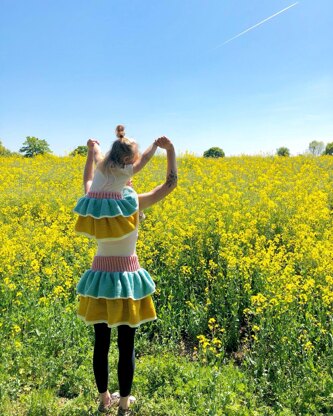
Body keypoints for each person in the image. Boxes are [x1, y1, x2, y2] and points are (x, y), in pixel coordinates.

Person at [73, 135, 177, 415]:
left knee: (101, 343)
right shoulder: (134, 204)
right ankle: (123, 404)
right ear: (126, 177)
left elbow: (88, 179)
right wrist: (170, 152)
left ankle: (104, 398)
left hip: (99, 278)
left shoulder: (94, 203)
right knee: (126, 344)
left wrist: (89, 154)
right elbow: (169, 185)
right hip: (127, 277)